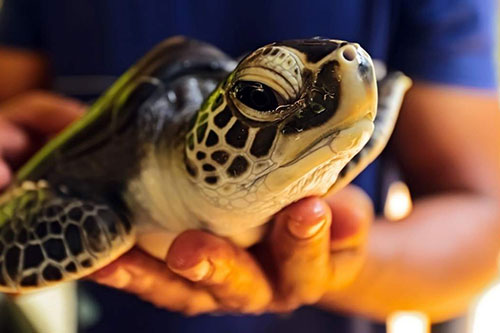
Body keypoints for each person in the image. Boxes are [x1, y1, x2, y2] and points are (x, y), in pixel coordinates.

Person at [0, 0, 499, 332]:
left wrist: (334, 268)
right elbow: (14, 110)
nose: (350, 75)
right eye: (263, 96)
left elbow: (485, 215)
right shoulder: (105, 209)